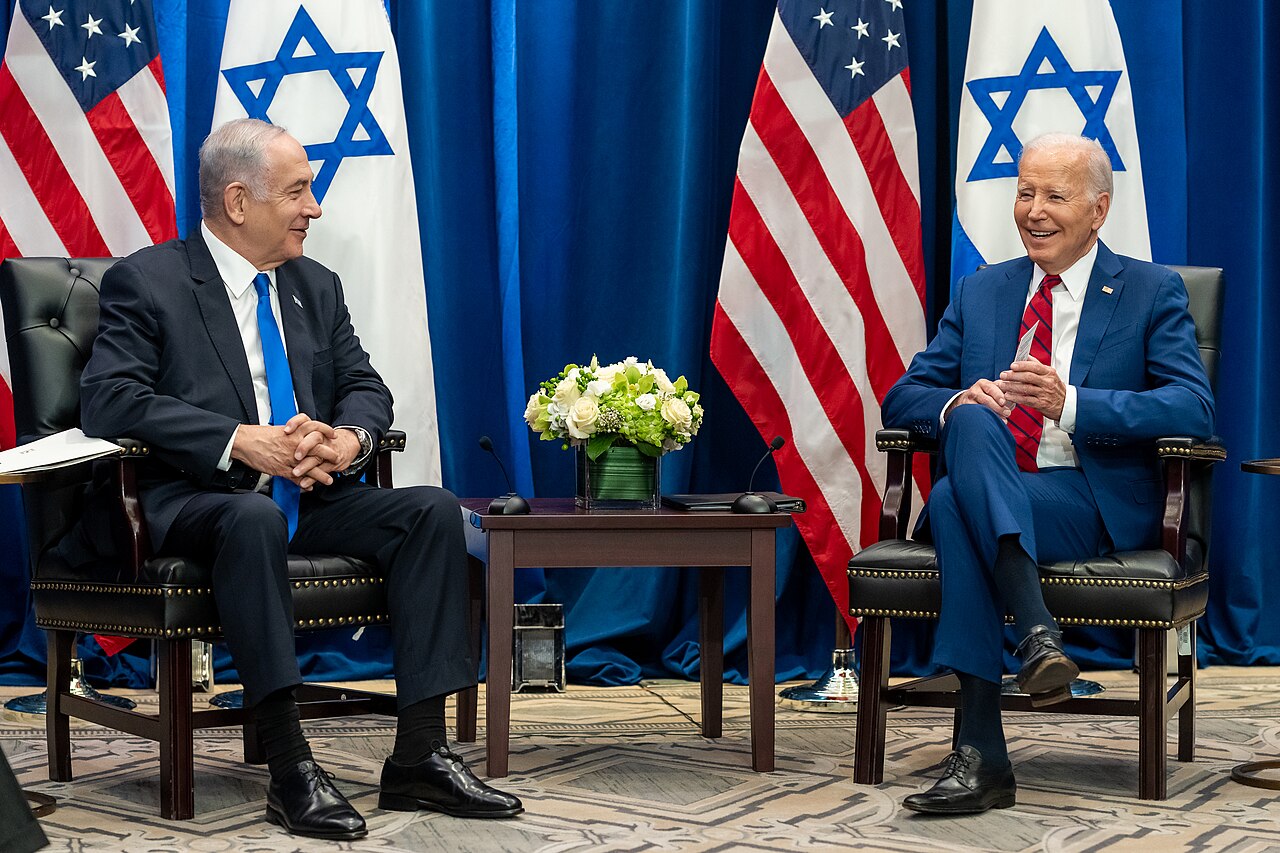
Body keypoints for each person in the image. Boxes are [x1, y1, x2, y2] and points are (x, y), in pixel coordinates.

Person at [78, 118, 522, 840]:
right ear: (238, 202)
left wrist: (346, 439)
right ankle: (290, 770)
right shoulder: (149, 281)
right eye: (299, 190)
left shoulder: (315, 285)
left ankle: (420, 755)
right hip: (199, 501)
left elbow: (365, 386)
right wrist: (238, 441)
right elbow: (110, 398)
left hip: (310, 498)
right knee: (250, 519)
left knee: (432, 511)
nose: (315, 207)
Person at [881, 132, 1214, 815]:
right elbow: (904, 397)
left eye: (1054, 196)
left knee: (952, 502)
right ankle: (1034, 639)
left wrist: (1074, 402)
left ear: (1097, 210)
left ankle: (982, 751)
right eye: (1025, 191)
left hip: (1084, 500)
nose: (1034, 210)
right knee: (968, 428)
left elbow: (1192, 404)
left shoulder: (1151, 291)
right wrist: (955, 400)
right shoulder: (982, 291)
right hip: (999, 484)